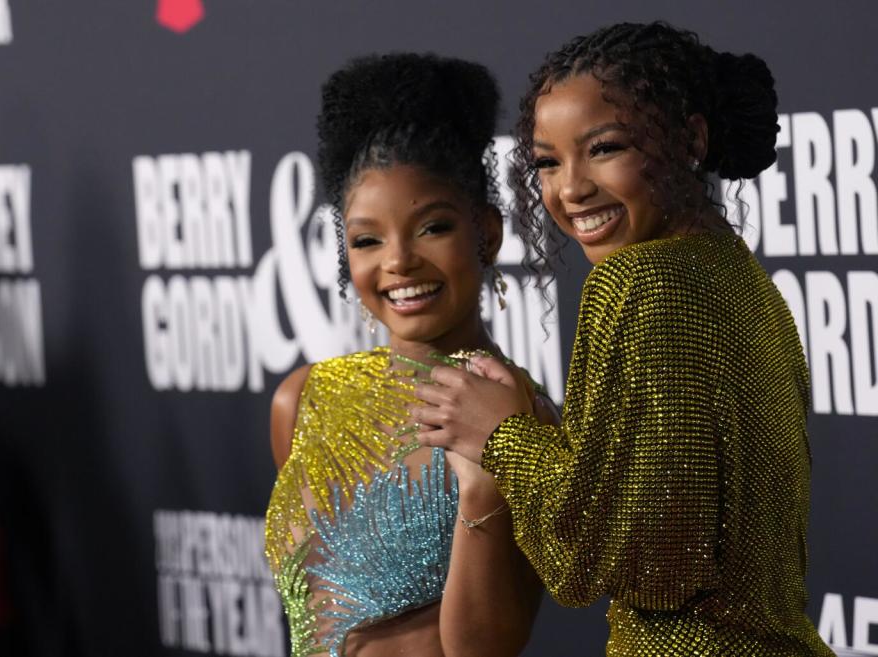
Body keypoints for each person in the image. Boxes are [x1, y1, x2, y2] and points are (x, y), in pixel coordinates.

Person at [412, 22, 835, 656]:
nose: (570, 188)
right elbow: (675, 518)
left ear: (689, 139)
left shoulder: (639, 280)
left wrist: (502, 436)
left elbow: (601, 560)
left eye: (604, 148)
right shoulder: (736, 273)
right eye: (548, 162)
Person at [264, 53, 551, 657]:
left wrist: (481, 487)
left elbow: (486, 651)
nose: (397, 262)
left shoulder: (519, 419)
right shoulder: (301, 400)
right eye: (367, 240)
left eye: (431, 228)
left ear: (488, 234)